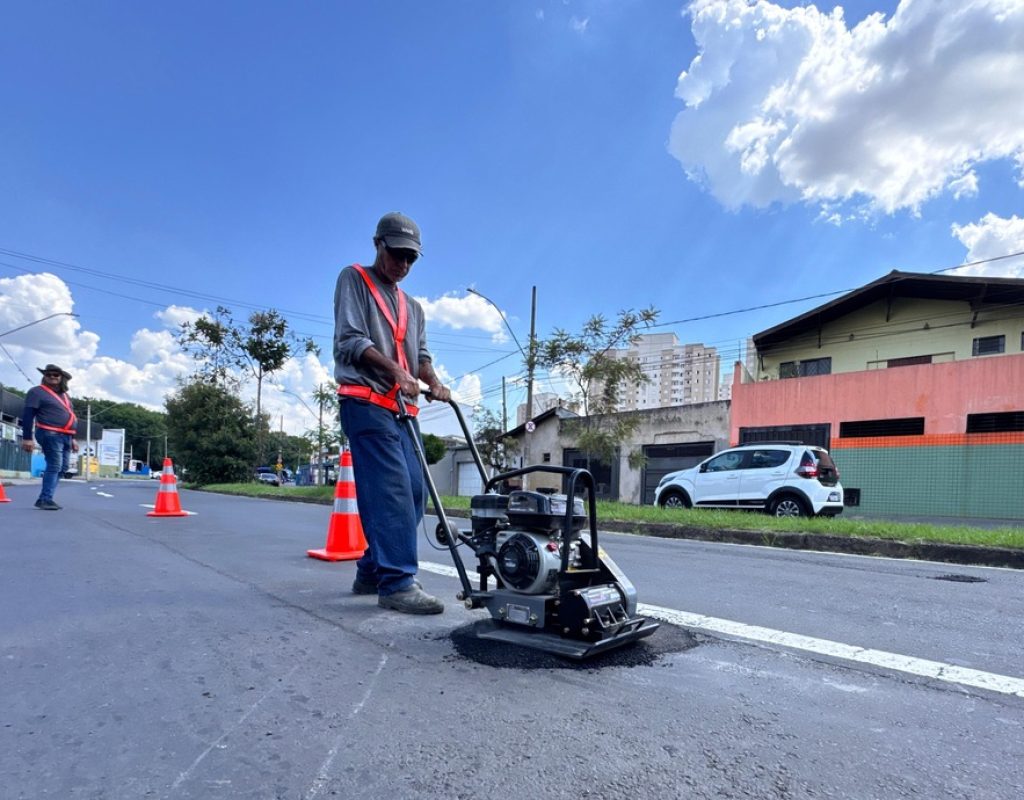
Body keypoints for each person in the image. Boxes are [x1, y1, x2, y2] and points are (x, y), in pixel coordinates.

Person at [333, 212, 451, 614]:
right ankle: (398, 583)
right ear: (377, 245)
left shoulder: (413, 307)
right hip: (365, 402)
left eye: (411, 259)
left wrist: (432, 380)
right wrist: (396, 371)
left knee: (416, 491)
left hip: (403, 409)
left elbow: (420, 355)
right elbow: (350, 340)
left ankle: (371, 568)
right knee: (392, 490)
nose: (403, 264)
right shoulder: (354, 280)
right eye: (397, 254)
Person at [20, 364, 79, 511]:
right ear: (44, 377)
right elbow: (28, 415)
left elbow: (70, 416)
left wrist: (73, 438)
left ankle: (46, 498)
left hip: (66, 435)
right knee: (54, 465)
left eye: (55, 375)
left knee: (63, 467)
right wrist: (27, 437)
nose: (52, 377)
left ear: (61, 378)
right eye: (49, 374)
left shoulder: (65, 395)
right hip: (50, 433)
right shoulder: (36, 392)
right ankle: (45, 499)